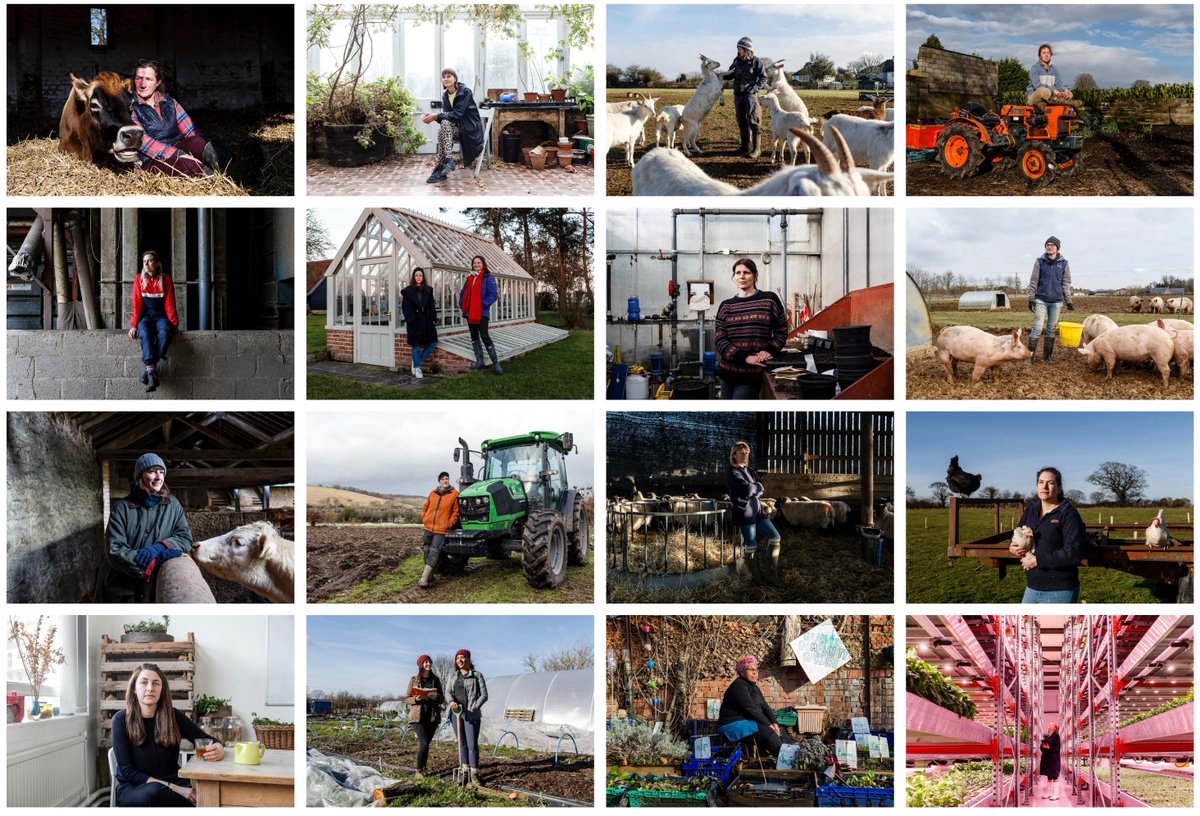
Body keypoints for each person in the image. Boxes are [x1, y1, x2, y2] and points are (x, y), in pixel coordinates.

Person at [111, 663, 223, 806]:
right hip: (135, 788)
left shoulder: (173, 715)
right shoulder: (120, 720)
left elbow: (208, 740)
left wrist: (218, 748)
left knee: (208, 793)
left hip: (174, 783)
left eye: (156, 683)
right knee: (156, 791)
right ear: (134, 688)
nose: (150, 688)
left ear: (162, 689)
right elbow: (129, 773)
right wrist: (176, 789)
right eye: (144, 683)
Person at [98, 453, 194, 603]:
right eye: (152, 471)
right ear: (140, 476)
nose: (158, 477)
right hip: (121, 588)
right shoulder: (122, 508)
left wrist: (159, 547)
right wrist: (150, 565)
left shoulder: (173, 505)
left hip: (151, 588)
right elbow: (114, 550)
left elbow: (185, 538)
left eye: (161, 472)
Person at [129, 59, 234, 178]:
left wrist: (201, 150)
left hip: (176, 145)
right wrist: (178, 154)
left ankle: (234, 167)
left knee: (197, 142)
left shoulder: (169, 102)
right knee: (185, 164)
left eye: (149, 79)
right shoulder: (130, 107)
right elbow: (143, 142)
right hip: (151, 158)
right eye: (138, 78)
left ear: (158, 82)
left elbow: (191, 131)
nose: (142, 84)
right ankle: (213, 177)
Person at [1009, 466, 1086, 603]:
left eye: (1050, 483)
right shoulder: (1031, 508)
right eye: (1040, 482)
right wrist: (1014, 546)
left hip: (1060, 590)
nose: (1044, 487)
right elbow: (1018, 532)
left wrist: (1037, 560)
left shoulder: (1068, 514)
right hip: (1032, 587)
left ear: (1059, 487)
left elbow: (1073, 553)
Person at [714, 258, 788, 399]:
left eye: (746, 272)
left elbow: (782, 330)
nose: (741, 276)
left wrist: (769, 350)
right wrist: (745, 357)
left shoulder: (769, 300)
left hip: (751, 374)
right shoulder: (726, 306)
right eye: (738, 273)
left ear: (755, 276)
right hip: (727, 372)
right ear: (734, 276)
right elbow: (719, 339)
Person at [726, 441, 783, 587]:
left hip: (757, 511)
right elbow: (746, 489)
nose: (744, 455)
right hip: (745, 513)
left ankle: (771, 575)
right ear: (734, 455)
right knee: (751, 546)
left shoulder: (749, 470)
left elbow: (761, 487)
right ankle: (757, 580)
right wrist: (754, 488)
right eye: (741, 453)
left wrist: (754, 488)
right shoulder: (733, 472)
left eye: (746, 453)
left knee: (775, 536)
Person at [126, 250, 180, 393]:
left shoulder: (166, 280)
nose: (146, 264)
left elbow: (169, 304)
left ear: (157, 263)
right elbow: (136, 304)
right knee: (144, 332)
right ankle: (152, 372)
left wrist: (174, 325)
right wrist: (133, 325)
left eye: (150, 261)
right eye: (144, 261)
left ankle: (149, 371)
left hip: (161, 315)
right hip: (146, 316)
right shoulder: (139, 279)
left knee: (165, 332)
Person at [422, 68, 484, 184]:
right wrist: (430, 117)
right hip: (457, 129)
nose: (446, 79)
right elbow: (447, 117)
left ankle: (440, 166)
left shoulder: (465, 92)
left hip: (469, 129)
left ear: (455, 78)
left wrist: (435, 116)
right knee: (444, 125)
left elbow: (457, 114)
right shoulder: (445, 96)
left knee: (443, 127)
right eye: (443, 76)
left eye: (449, 76)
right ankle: (447, 161)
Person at [716, 655, 781, 757]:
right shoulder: (738, 685)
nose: (755, 673)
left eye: (756, 670)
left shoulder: (754, 687)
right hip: (732, 725)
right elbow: (751, 708)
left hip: (746, 721)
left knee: (780, 730)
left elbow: (765, 706)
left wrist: (774, 722)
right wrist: (769, 725)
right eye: (751, 670)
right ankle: (785, 761)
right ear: (742, 671)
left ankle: (789, 753)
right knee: (768, 732)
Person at [1025, 236, 1073, 364]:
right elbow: (1033, 281)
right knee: (1037, 327)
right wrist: (1031, 298)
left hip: (1056, 301)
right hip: (1041, 299)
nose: (1049, 247)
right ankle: (1029, 357)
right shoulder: (1040, 261)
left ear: (1057, 247)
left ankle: (1048, 357)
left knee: (1051, 328)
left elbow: (1066, 283)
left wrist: (1068, 300)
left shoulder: (1064, 263)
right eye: (1047, 245)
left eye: (1052, 245)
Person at [448, 648, 488, 786]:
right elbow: (448, 692)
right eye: (458, 658)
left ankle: (474, 773)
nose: (460, 660)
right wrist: (451, 701)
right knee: (462, 743)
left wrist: (474, 707)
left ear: (469, 660)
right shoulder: (453, 676)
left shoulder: (477, 675)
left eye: (463, 657)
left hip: (471, 714)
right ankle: (464, 772)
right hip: (456, 714)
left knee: (472, 744)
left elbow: (484, 695)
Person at [722, 37, 768, 157]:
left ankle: (757, 150)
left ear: (747, 49)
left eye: (740, 48)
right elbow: (730, 74)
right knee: (741, 121)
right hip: (738, 95)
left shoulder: (756, 61)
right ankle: (744, 147)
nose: (738, 50)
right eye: (737, 48)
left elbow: (763, 78)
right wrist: (719, 74)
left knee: (753, 120)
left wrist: (755, 88)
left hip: (750, 95)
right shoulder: (736, 61)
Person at [459, 255, 503, 375]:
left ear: (483, 264)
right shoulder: (470, 278)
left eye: (478, 263)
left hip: (482, 312)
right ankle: (480, 362)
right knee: (474, 336)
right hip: (469, 312)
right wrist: (461, 304)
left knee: (484, 335)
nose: (476, 265)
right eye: (474, 263)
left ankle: (496, 363)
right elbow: (463, 293)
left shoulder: (488, 278)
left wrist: (482, 305)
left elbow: (493, 295)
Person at [403, 655, 444, 777]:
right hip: (417, 717)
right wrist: (416, 699)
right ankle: (418, 771)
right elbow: (406, 698)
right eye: (425, 662)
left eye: (430, 662)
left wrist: (436, 696)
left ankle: (424, 768)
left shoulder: (435, 680)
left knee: (427, 743)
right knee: (424, 742)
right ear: (421, 665)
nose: (428, 664)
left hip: (431, 716)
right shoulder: (414, 679)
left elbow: (441, 699)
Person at [418, 472, 459, 589]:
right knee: (426, 549)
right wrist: (424, 518)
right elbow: (425, 506)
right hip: (428, 527)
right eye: (443, 479)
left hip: (441, 529)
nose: (445, 480)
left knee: (435, 551)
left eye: (447, 479)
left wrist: (448, 524)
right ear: (439, 481)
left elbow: (456, 512)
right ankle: (430, 576)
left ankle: (424, 579)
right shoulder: (433, 493)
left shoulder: (454, 494)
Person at [401, 267, 438, 379]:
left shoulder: (428, 290)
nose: (418, 277)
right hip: (415, 322)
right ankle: (417, 369)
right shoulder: (408, 291)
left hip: (427, 322)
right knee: (416, 346)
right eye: (416, 275)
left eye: (420, 275)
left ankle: (417, 362)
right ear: (413, 277)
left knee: (433, 343)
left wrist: (433, 318)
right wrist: (411, 320)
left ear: (423, 277)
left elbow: (431, 305)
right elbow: (405, 308)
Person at [1026, 44, 1082, 118]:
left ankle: (1043, 104)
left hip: (1050, 97)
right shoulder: (1035, 68)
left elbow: (1059, 84)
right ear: (1040, 56)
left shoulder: (1054, 69)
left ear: (1051, 55)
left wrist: (1065, 90)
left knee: (1070, 94)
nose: (1046, 55)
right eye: (1044, 53)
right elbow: (1037, 86)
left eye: (1048, 53)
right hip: (1034, 97)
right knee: (1043, 91)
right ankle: (1067, 103)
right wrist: (1053, 90)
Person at [1039, 723, 1062, 800]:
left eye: (1051, 725)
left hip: (1053, 759)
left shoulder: (1056, 736)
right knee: (1049, 776)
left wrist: (1048, 748)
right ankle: (1049, 793)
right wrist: (1044, 747)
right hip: (1047, 759)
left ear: (1054, 728)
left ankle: (1056, 794)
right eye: (1049, 724)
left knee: (1055, 776)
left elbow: (1057, 748)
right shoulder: (1047, 736)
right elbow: (1041, 747)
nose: (1049, 725)